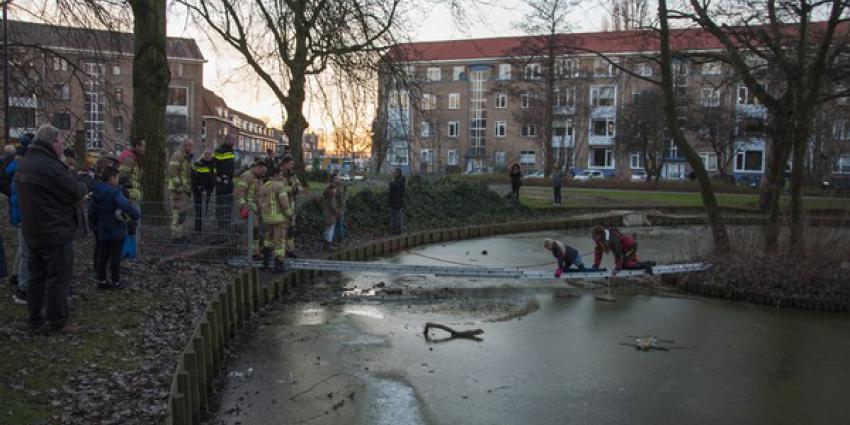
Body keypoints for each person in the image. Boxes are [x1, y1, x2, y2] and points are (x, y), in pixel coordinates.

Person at [15, 124, 89, 334]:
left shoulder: (26, 162)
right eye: (61, 142)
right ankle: (57, 320)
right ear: (53, 142)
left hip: (33, 228)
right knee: (58, 277)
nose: (62, 147)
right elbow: (74, 191)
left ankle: (35, 318)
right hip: (55, 229)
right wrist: (85, 182)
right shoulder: (50, 166)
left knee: (36, 276)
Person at [88, 166, 140, 289]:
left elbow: (91, 211)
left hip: (102, 228)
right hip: (115, 229)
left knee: (103, 255)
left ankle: (102, 281)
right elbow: (124, 204)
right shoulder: (114, 191)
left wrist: (94, 224)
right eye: (116, 177)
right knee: (115, 257)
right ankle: (115, 281)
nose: (117, 180)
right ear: (112, 178)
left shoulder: (96, 191)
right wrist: (135, 215)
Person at [6, 135, 32, 304]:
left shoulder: (15, 169)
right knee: (25, 252)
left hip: (19, 214)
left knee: (22, 250)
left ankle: (16, 276)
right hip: (24, 215)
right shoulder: (22, 172)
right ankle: (23, 287)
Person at [257, 165, 292, 271]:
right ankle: (279, 265)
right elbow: (284, 204)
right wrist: (290, 215)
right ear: (275, 175)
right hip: (278, 219)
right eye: (281, 175)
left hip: (267, 218)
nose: (282, 177)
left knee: (268, 240)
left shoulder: (264, 185)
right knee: (280, 242)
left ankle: (265, 263)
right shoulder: (280, 186)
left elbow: (260, 202)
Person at [235, 158, 267, 257]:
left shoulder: (258, 178)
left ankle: (257, 251)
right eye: (262, 172)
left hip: (255, 209)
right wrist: (243, 206)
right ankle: (254, 252)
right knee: (255, 229)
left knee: (257, 230)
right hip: (248, 208)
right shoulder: (247, 176)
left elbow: (259, 195)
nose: (263, 174)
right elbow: (239, 192)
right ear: (257, 168)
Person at [119, 137, 144, 258]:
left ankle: (133, 250)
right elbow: (123, 176)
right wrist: (127, 192)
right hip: (130, 197)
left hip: (133, 195)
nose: (145, 149)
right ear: (137, 146)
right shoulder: (130, 159)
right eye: (143, 146)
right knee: (132, 223)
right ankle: (130, 252)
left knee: (133, 224)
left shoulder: (134, 158)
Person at [168, 139, 194, 242]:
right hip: (177, 190)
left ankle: (180, 234)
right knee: (177, 213)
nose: (190, 148)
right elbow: (173, 172)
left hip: (183, 190)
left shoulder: (185, 158)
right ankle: (176, 236)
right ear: (183, 145)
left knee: (182, 213)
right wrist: (178, 186)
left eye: (191, 146)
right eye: (188, 146)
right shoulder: (177, 156)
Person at [281, 155, 302, 258]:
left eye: (292, 164)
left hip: (291, 204)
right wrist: (293, 189)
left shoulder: (293, 175)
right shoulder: (279, 175)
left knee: (291, 229)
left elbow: (298, 184)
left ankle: (291, 250)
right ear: (284, 164)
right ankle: (282, 251)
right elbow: (279, 189)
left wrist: (298, 188)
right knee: (282, 229)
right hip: (282, 206)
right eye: (290, 164)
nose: (292, 166)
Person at [213, 134, 236, 229]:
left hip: (229, 181)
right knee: (222, 204)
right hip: (221, 183)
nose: (234, 142)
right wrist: (217, 177)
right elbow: (214, 166)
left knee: (229, 205)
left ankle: (227, 224)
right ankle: (221, 226)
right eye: (232, 140)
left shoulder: (231, 150)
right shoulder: (219, 150)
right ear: (227, 140)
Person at [192, 149, 216, 232]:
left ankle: (202, 228)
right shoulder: (198, 164)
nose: (207, 155)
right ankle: (198, 230)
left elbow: (212, 178)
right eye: (205, 154)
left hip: (208, 192)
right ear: (203, 155)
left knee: (204, 209)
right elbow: (194, 179)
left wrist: (210, 189)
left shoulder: (213, 164)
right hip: (199, 192)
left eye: (209, 154)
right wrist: (200, 188)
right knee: (199, 210)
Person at [322, 174, 341, 251]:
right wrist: (336, 212)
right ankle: (328, 245)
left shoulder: (328, 188)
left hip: (327, 211)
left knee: (328, 228)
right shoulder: (332, 190)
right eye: (336, 178)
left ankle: (326, 244)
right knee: (330, 228)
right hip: (330, 212)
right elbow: (332, 203)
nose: (338, 180)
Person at [388, 168, 405, 235]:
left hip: (398, 202)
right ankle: (393, 231)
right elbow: (391, 186)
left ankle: (398, 231)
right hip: (393, 202)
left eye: (395, 172)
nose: (394, 174)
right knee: (393, 217)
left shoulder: (400, 181)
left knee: (398, 217)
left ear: (398, 173)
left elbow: (393, 186)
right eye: (394, 172)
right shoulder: (396, 180)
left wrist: (392, 182)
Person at [334, 172, 348, 243]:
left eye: (337, 178)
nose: (336, 179)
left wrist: (344, 200)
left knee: (339, 224)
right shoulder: (333, 187)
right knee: (338, 224)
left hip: (340, 208)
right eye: (335, 178)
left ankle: (341, 238)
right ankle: (340, 238)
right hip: (337, 208)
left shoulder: (341, 186)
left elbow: (345, 194)